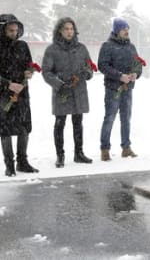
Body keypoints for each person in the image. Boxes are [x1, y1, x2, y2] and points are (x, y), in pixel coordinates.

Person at [0, 14, 39, 176]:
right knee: (5, 129)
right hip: (2, 95)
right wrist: (7, 84)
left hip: (22, 92)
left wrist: (29, 72)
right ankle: (9, 165)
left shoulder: (22, 46)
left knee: (24, 127)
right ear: (2, 30)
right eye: (10, 30)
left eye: (16, 30)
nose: (14, 33)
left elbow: (28, 64)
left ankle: (22, 161)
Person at [42, 17, 94, 168]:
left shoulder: (81, 48)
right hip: (62, 92)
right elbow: (46, 72)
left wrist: (85, 74)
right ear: (60, 31)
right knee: (60, 123)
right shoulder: (52, 50)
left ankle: (79, 153)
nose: (69, 31)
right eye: (66, 29)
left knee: (78, 123)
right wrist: (59, 84)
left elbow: (89, 66)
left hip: (79, 91)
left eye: (71, 29)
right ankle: (60, 155)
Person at [98, 18, 142, 161]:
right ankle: (105, 148)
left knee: (126, 119)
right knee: (110, 118)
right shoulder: (107, 46)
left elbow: (138, 64)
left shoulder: (131, 47)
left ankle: (126, 148)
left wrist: (136, 74)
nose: (126, 31)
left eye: (127, 28)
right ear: (117, 30)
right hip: (113, 89)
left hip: (128, 89)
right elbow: (102, 66)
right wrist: (119, 76)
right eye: (124, 28)